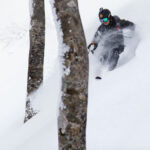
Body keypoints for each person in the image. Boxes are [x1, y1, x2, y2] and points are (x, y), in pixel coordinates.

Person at [88, 8, 135, 79]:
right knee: (103, 56)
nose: (104, 22)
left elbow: (131, 25)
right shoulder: (102, 28)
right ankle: (99, 74)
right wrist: (93, 44)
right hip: (107, 46)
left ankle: (110, 73)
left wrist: (133, 30)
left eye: (105, 20)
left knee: (114, 52)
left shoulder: (118, 23)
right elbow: (96, 38)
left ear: (109, 17)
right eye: (101, 20)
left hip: (118, 45)